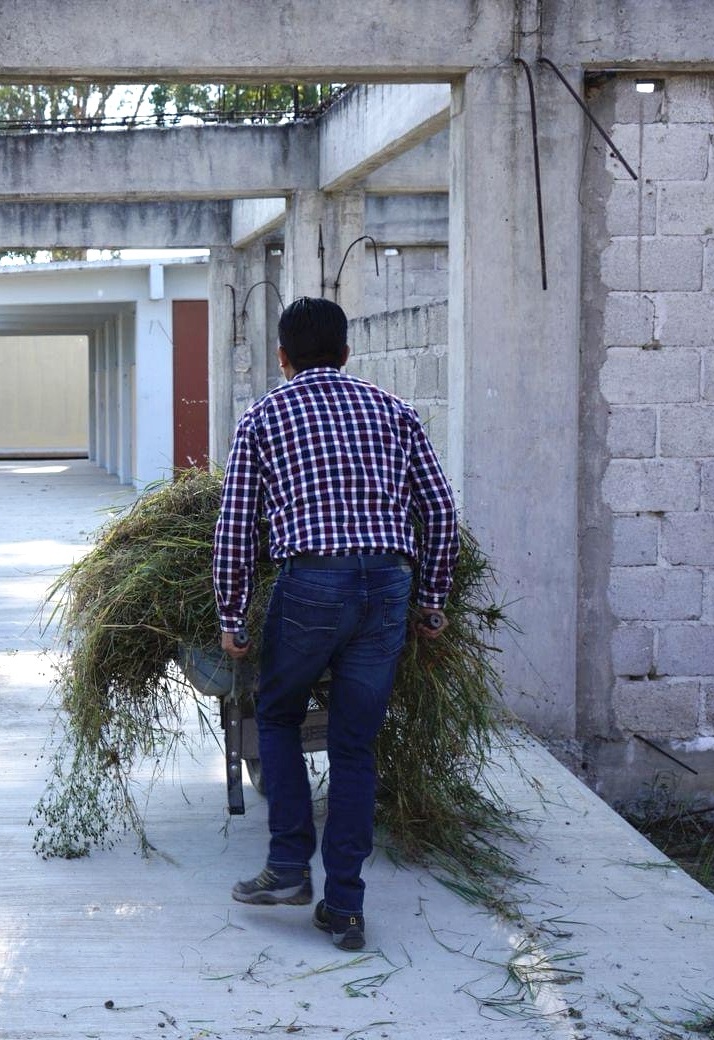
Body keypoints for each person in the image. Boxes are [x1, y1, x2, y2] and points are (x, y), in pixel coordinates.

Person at [212, 296, 458, 952]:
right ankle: (345, 907)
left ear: (282, 357)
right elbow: (439, 508)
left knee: (277, 713)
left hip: (312, 584)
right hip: (388, 586)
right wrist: (432, 601)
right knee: (355, 745)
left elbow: (235, 527)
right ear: (348, 353)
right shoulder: (393, 410)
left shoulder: (263, 416)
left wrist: (231, 615)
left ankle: (290, 865)